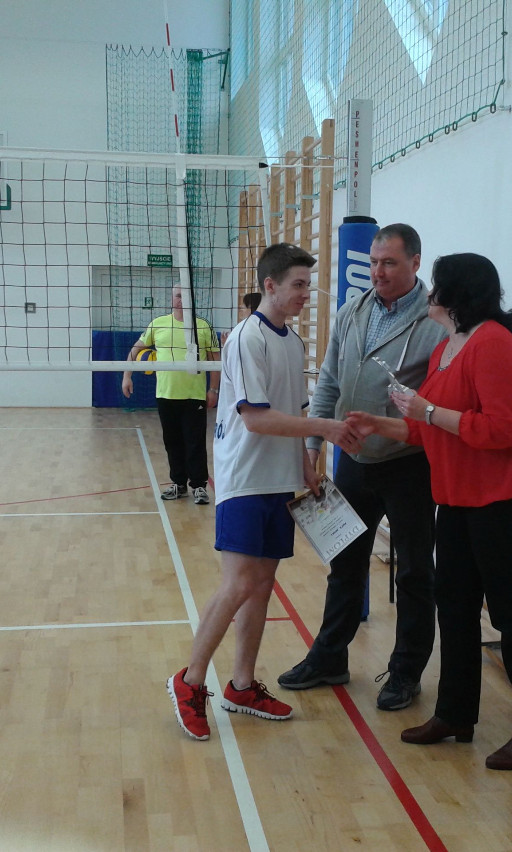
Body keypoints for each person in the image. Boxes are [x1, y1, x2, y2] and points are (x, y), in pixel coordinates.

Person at [346, 252, 512, 770]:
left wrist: (429, 411)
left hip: (506, 501)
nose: (430, 291)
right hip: (460, 499)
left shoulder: (493, 342)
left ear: (458, 293)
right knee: (455, 608)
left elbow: (502, 429)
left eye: (437, 283)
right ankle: (455, 714)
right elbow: (425, 427)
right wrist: (378, 424)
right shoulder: (448, 346)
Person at [166, 243, 362, 741]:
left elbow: (288, 410)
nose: (305, 294)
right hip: (245, 480)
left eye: (308, 285)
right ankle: (190, 681)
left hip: (280, 482)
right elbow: (255, 419)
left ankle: (241, 685)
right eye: (298, 285)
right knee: (237, 584)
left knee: (261, 585)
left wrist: (306, 463)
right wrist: (326, 428)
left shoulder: (292, 343)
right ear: (270, 285)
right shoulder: (246, 338)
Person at [278, 223, 446, 711]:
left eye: (389, 263)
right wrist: (313, 445)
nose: (378, 272)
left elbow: (438, 401)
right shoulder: (352, 312)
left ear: (415, 262)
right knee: (345, 564)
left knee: (414, 572)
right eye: (373, 262)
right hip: (353, 460)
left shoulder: (436, 322)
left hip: (410, 464)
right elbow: (330, 382)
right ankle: (330, 657)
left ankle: (406, 672)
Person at [122, 285, 220, 505]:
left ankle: (199, 486)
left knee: (195, 443)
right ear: (171, 298)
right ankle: (178, 484)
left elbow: (215, 361)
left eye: (185, 295)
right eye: (177, 295)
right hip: (165, 395)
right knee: (172, 442)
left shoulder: (203, 326)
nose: (181, 299)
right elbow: (135, 350)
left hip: (194, 396)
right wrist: (126, 376)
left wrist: (213, 390)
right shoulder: (158, 324)